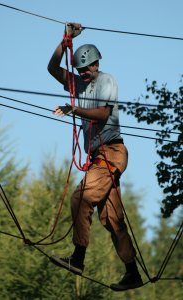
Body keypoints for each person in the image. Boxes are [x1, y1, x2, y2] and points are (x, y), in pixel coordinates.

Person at [47, 23, 143, 291]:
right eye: (80, 71)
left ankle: (77, 259)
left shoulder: (107, 80)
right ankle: (133, 273)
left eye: (86, 69)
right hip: (98, 157)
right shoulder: (78, 84)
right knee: (112, 220)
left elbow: (103, 113)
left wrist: (74, 110)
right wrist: (64, 40)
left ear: (96, 65)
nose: (84, 74)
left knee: (81, 197)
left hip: (111, 152)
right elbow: (53, 68)